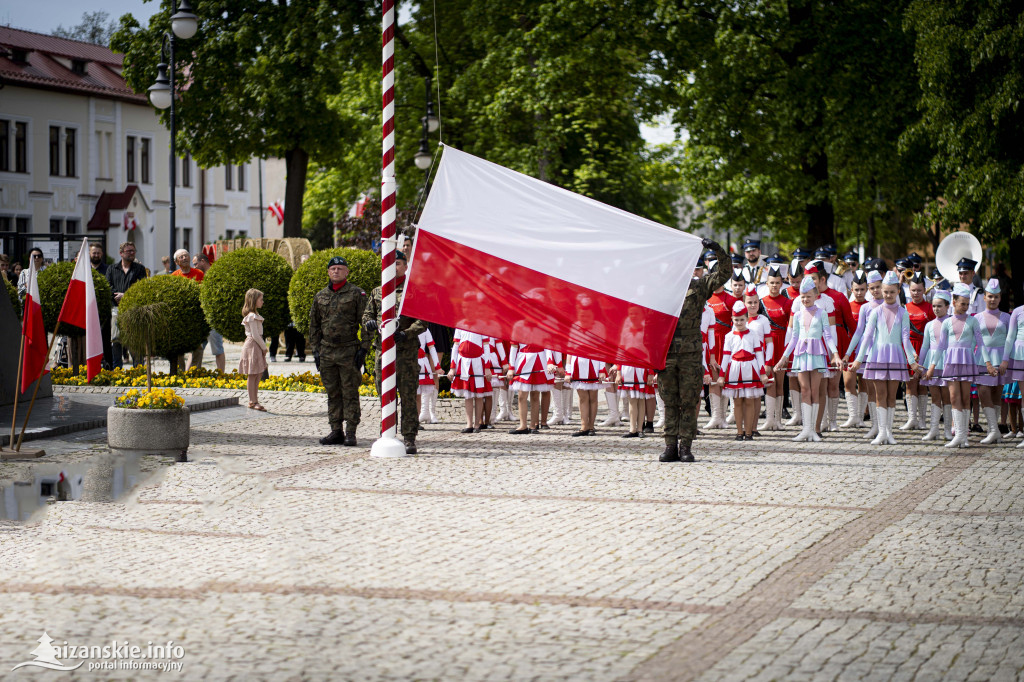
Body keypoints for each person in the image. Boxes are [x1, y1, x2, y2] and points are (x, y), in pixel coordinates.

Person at [659, 237, 729, 462]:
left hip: (690, 353)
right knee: (670, 400)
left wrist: (718, 250)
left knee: (689, 400)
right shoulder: (661, 290)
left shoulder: (699, 287)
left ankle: (685, 447)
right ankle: (670, 445)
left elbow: (724, 273)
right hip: (667, 353)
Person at [363, 250, 427, 452]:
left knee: (407, 396)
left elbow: (423, 321)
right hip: (382, 353)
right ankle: (387, 431)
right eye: (390, 263)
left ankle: (409, 437)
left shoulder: (413, 291)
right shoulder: (378, 291)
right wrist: (370, 323)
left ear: (405, 267)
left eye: (398, 263)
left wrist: (407, 333)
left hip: (405, 353)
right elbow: (367, 316)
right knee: (384, 394)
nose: (394, 267)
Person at [851, 271, 920, 445]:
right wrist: (859, 359)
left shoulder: (903, 312)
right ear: (881, 291)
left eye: (892, 292)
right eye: (885, 292)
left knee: (892, 395)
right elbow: (866, 337)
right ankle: (881, 431)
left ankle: (889, 431)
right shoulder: (875, 312)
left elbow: (905, 338)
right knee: (880, 394)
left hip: (896, 356)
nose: (888, 295)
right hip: (878, 356)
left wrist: (912, 359)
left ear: (898, 291)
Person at [310, 256, 369, 446]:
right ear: (328, 272)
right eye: (333, 268)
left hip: (349, 349)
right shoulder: (320, 296)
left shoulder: (356, 294)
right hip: (327, 350)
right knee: (332, 392)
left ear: (347, 272)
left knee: (350, 392)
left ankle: (351, 432)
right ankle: (336, 430)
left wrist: (364, 349)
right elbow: (314, 326)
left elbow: (366, 322)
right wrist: (316, 351)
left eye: (340, 268)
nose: (336, 271)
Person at [775, 276, 841, 442]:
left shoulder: (822, 313)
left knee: (815, 390)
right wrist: (784, 358)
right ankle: (806, 429)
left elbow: (828, 336)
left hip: (817, 354)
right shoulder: (797, 315)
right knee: (805, 390)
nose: (805, 299)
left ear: (816, 295)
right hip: (801, 355)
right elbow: (794, 338)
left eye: (808, 296)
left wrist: (835, 355)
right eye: (803, 296)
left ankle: (813, 429)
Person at [933, 283, 987, 448]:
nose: (965, 307)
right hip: (951, 363)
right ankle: (958, 434)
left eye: (967, 303)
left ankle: (964, 436)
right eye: (962, 303)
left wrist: (989, 364)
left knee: (965, 398)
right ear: (954, 302)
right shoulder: (948, 322)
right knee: (954, 397)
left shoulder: (973, 321)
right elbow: (941, 346)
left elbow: (981, 344)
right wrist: (931, 367)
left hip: (966, 362)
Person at [718, 300, 771, 440]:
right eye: (736, 320)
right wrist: (722, 375)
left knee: (749, 400)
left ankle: (749, 432)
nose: (739, 322)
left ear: (747, 319)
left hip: (750, 368)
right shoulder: (728, 336)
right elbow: (725, 357)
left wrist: (762, 373)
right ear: (732, 319)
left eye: (742, 319)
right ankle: (739, 432)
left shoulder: (753, 334)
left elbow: (759, 354)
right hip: (735, 369)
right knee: (737, 402)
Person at [845, 270, 885, 438]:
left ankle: (884, 426)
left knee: (884, 390)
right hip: (867, 351)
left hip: (884, 351)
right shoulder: (866, 308)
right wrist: (848, 353)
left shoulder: (890, 305)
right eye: (872, 288)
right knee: (870, 388)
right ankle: (875, 425)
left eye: (878, 287)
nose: (875, 291)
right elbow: (859, 332)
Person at [974, 278, 1009, 444]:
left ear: (1000, 297)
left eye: (996, 296)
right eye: (990, 296)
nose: (993, 299)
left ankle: (992, 430)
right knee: (983, 392)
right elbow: (975, 341)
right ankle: (994, 429)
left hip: (1001, 360)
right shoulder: (977, 318)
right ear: (984, 297)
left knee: (997, 393)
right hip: (982, 359)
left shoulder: (1007, 317)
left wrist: (1006, 361)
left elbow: (1010, 341)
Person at [105, 242, 148, 369]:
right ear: (121, 253)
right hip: (116, 309)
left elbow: (142, 287)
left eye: (133, 251)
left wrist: (126, 296)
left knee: (134, 339)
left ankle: (138, 369)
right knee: (116, 340)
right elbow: (108, 286)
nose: (132, 253)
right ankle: (117, 369)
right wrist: (116, 296)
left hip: (133, 309)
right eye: (129, 251)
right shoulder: (112, 269)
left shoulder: (139, 269)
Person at [901, 274, 935, 430]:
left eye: (919, 290)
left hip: (925, 348)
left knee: (922, 384)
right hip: (909, 348)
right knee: (909, 383)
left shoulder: (930, 308)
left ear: (924, 291)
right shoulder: (905, 308)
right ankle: (911, 418)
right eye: (913, 290)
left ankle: (922, 420)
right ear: (909, 290)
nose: (916, 293)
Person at [761, 265, 791, 430]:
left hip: (781, 344)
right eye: (771, 282)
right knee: (769, 382)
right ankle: (769, 419)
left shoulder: (787, 303)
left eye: (777, 283)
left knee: (780, 382)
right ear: (767, 283)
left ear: (781, 284)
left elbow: (791, 328)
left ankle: (778, 420)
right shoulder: (760, 303)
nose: (774, 285)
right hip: (766, 345)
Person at [920, 289, 952, 441]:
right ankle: (934, 430)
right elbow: (925, 346)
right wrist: (920, 365)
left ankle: (947, 429)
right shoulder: (929, 325)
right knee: (934, 397)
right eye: (934, 306)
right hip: (931, 362)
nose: (936, 309)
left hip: (946, 362)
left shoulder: (951, 322)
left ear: (947, 306)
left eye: (940, 306)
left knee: (947, 397)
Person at [841, 270, 870, 428]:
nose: (859, 292)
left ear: (867, 290)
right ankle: (852, 415)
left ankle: (861, 416)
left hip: (865, 348)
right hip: (849, 348)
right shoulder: (847, 305)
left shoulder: (869, 306)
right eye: (856, 289)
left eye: (862, 289)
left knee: (864, 383)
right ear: (851, 290)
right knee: (848, 382)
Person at [238, 289, 268, 411]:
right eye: (261, 299)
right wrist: (264, 347)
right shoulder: (251, 317)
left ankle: (255, 399)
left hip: (256, 345)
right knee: (253, 373)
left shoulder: (255, 316)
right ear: (254, 300)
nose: (263, 302)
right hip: (253, 345)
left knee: (258, 373)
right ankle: (252, 401)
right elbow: (255, 335)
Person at [417, 330, 442, 424]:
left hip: (422, 363)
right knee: (413, 394)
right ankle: (413, 419)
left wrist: (437, 366)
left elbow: (432, 348)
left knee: (420, 393)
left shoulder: (424, 328)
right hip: (409, 362)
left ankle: (422, 414)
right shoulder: (403, 325)